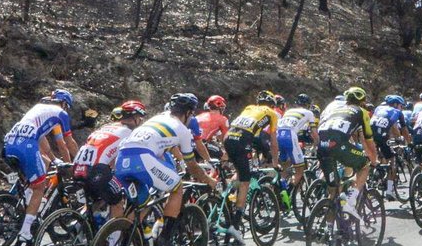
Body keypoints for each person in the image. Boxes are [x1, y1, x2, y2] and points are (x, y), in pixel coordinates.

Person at [112, 93, 215, 231]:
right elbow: (192, 166)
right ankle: (165, 237)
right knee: (177, 187)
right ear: (188, 113)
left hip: (121, 159)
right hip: (143, 159)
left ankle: (125, 240)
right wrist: (208, 179)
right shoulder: (183, 130)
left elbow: (163, 147)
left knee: (144, 205)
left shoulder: (157, 118)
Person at [2, 88, 77, 245]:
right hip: (26, 147)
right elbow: (68, 142)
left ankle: (24, 208)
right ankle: (25, 231)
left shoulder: (38, 108)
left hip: (9, 143)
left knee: (41, 168)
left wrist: (54, 159)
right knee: (39, 187)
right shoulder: (61, 113)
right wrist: (80, 162)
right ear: (64, 104)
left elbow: (42, 139)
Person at [73, 101, 145, 219]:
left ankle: (79, 228)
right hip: (96, 171)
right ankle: (114, 237)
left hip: (78, 167)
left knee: (96, 200)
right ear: (135, 117)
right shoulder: (130, 133)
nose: (141, 121)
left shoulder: (106, 127)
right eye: (141, 118)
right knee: (117, 201)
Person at [316, 86, 380, 216]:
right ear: (362, 101)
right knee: (365, 165)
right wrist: (374, 160)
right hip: (338, 145)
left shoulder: (335, 110)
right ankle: (351, 200)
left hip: (322, 147)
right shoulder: (362, 111)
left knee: (333, 192)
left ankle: (329, 229)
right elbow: (368, 140)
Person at [223, 91, 283, 232]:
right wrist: (275, 162)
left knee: (239, 171)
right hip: (242, 140)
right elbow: (273, 142)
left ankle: (227, 197)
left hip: (228, 138)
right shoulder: (272, 114)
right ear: (273, 105)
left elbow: (246, 130)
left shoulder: (249, 108)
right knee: (246, 181)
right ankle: (235, 223)